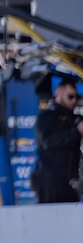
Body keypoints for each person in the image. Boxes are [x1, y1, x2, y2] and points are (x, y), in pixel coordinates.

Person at [32, 76, 81, 205]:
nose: (74, 101)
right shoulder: (46, 117)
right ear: (58, 94)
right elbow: (48, 141)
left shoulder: (74, 119)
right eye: (70, 97)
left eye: (77, 97)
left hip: (70, 181)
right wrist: (77, 131)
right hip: (50, 180)